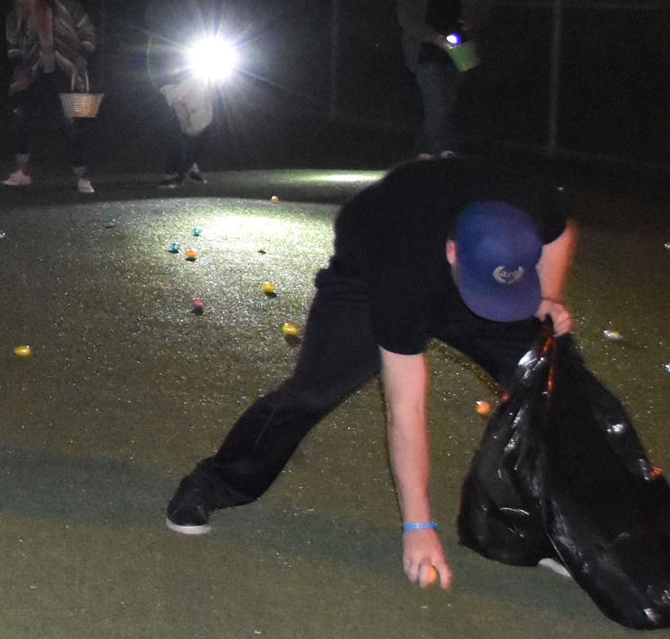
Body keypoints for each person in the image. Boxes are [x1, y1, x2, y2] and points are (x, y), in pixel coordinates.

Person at [164, 157, 574, 591]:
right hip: (366, 280)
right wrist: (419, 528)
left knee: (550, 378)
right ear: (452, 251)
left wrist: (544, 297)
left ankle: (559, 527)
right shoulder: (402, 267)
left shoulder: (531, 200)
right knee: (313, 392)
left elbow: (562, 234)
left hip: (471, 262)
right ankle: (216, 483)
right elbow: (406, 407)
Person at [396, 0, 494, 158]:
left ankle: (424, 151)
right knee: (436, 102)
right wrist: (434, 38)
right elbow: (406, 16)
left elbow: (486, 8)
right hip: (426, 53)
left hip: (461, 52)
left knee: (445, 105)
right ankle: (447, 151)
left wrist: (472, 21)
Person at [2, 0, 99, 196]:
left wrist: (83, 56)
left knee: (74, 124)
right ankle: (23, 171)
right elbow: (13, 48)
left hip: (71, 73)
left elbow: (89, 32)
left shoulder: (66, 6)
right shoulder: (14, 18)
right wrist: (20, 70)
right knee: (19, 115)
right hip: (36, 74)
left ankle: (84, 175)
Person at [144, 0, 222, 187]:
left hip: (193, 65)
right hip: (168, 70)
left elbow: (204, 25)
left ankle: (189, 163)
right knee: (178, 120)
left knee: (206, 118)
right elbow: (158, 29)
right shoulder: (160, 1)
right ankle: (174, 171)